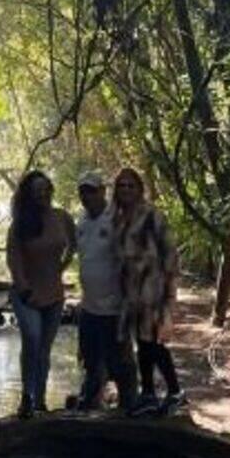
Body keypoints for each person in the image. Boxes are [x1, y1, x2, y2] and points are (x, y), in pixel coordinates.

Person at [113, 167, 185, 414]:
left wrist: (170, 296)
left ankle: (174, 391)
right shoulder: (120, 218)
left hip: (152, 288)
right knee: (143, 343)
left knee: (152, 341)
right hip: (130, 291)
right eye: (121, 186)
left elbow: (170, 255)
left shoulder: (152, 216)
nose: (125, 190)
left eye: (130, 185)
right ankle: (149, 394)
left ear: (139, 188)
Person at [6, 168, 76, 418]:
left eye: (46, 190)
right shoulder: (19, 224)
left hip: (54, 294)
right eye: (37, 191)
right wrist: (24, 288)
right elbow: (13, 260)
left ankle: (40, 400)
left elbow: (73, 245)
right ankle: (26, 395)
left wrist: (61, 267)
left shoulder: (61, 217)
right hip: (26, 294)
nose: (43, 195)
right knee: (32, 338)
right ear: (28, 195)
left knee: (45, 348)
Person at [74, 171, 137, 412]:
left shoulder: (117, 220)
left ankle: (129, 407)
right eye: (83, 191)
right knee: (91, 362)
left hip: (115, 307)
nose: (87, 196)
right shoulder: (82, 222)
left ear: (103, 191)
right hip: (89, 307)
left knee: (121, 362)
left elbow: (131, 263)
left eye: (92, 190)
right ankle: (91, 406)